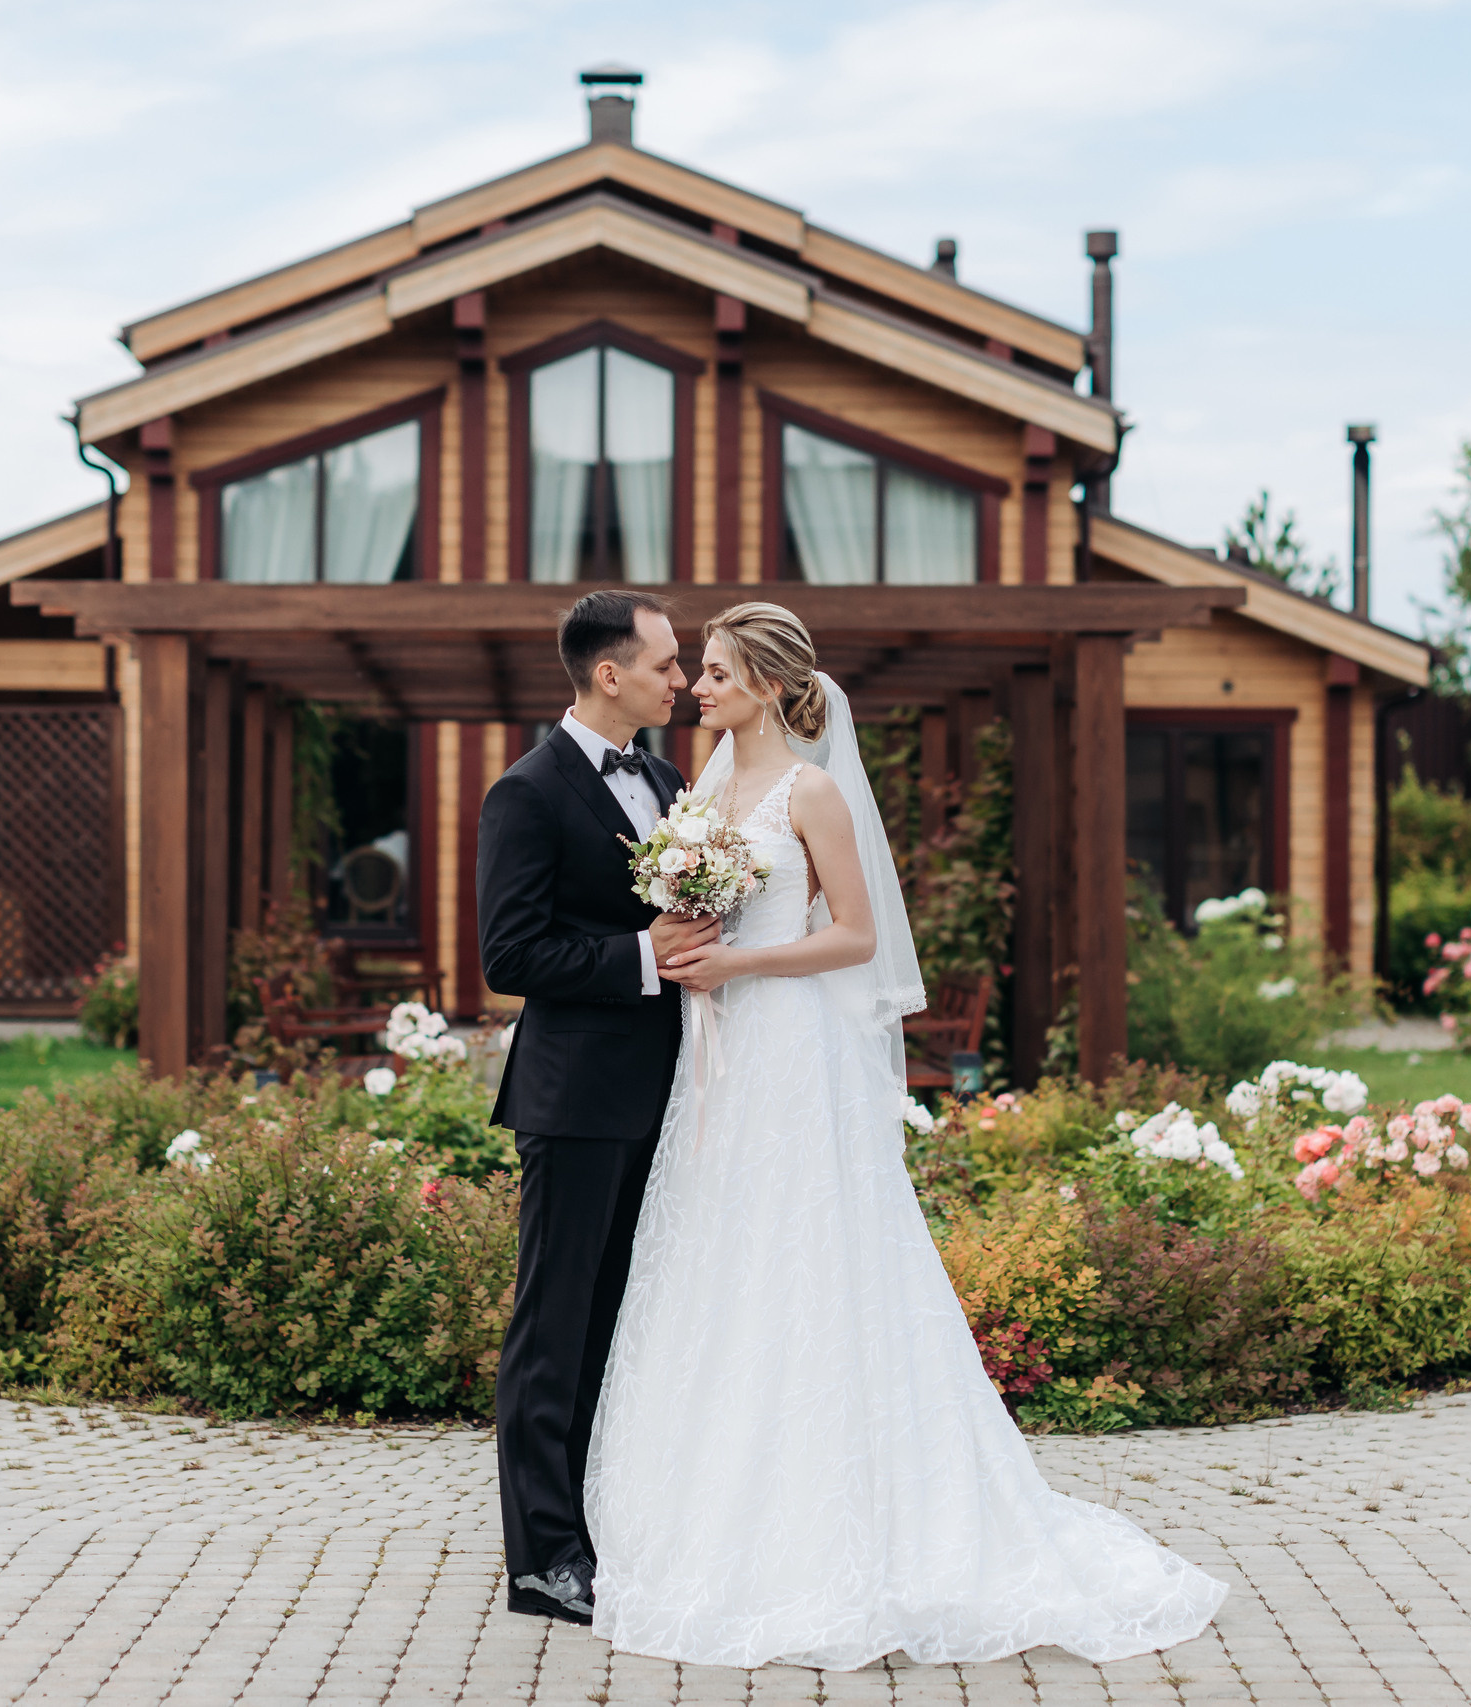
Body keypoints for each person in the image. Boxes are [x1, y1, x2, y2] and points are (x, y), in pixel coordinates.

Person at [581, 601, 1229, 1670]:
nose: (697, 688)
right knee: (724, 1256)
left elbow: (855, 936)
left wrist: (736, 963)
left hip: (790, 1048)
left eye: (717, 672)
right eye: (696, 671)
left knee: (811, 1255)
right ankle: (707, 1510)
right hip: (719, 1058)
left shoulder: (813, 790)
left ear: (775, 689)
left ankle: (851, 1531)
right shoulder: (699, 789)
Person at [474, 588, 712, 1626]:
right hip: (575, 1101)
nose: (681, 679)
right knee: (554, 1328)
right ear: (608, 674)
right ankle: (541, 1559)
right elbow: (509, 954)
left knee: (625, 1323)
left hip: (671, 1094)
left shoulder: (667, 781)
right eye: (665, 663)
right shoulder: (524, 794)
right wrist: (639, 957)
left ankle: (605, 1524)